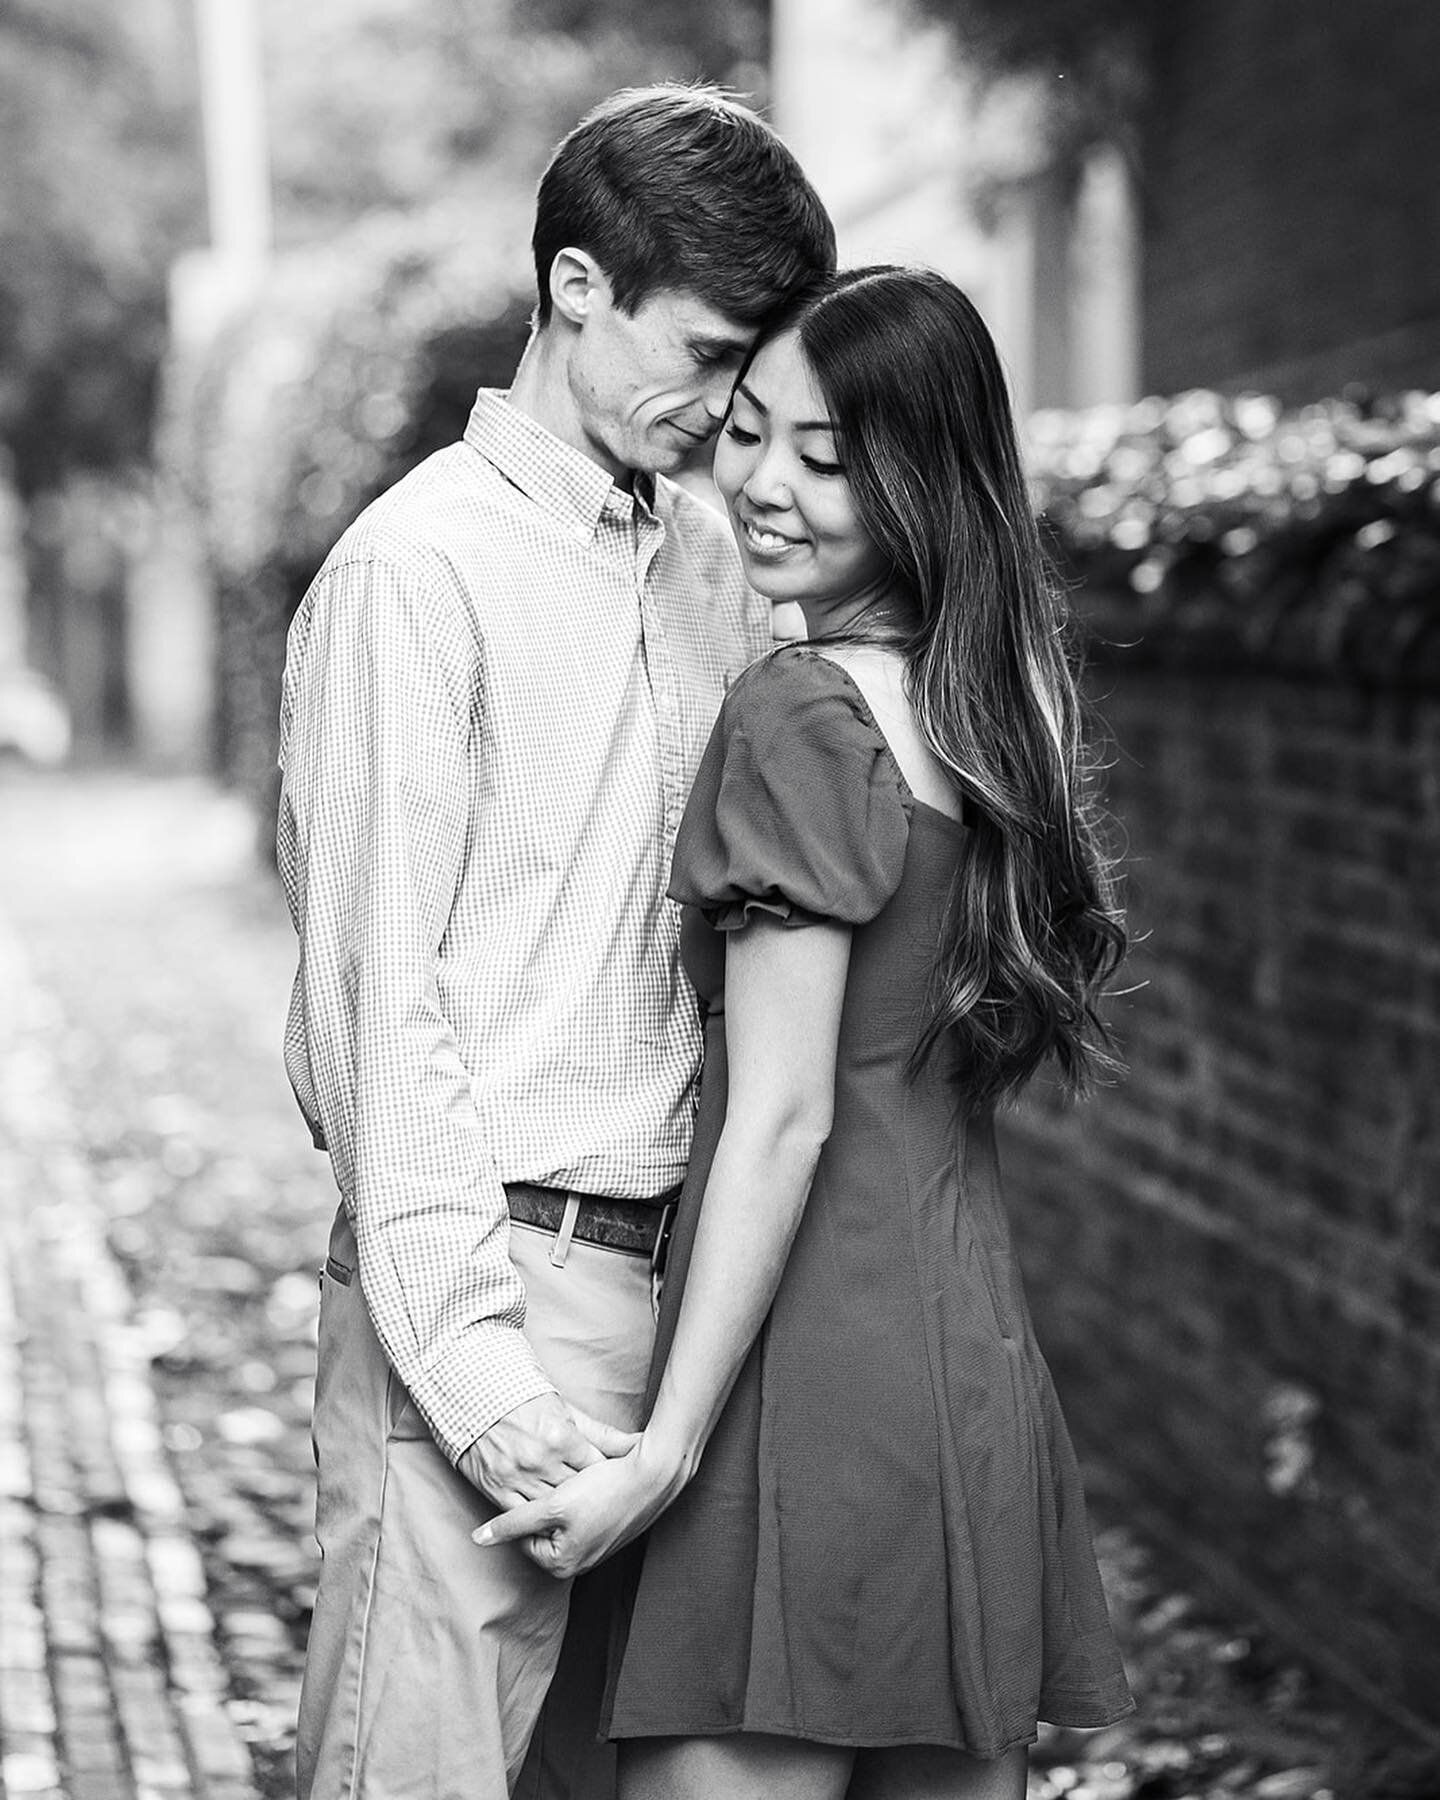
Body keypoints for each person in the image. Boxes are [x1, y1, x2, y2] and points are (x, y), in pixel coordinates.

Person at [478, 267, 1136, 1800]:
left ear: (922, 472)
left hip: (802, 1366)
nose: (764, 486)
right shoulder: (989, 716)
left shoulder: (803, 714)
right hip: (966, 1366)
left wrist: (663, 1448)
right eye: (752, 431)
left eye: (828, 458)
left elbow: (783, 1116)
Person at [276, 85, 835, 1800]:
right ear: (578, 287)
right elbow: (380, 1019)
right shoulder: (414, 574)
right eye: (712, 346)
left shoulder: (716, 565)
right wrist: (476, 1374)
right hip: (497, 1282)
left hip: (693, 1315)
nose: (732, 400)